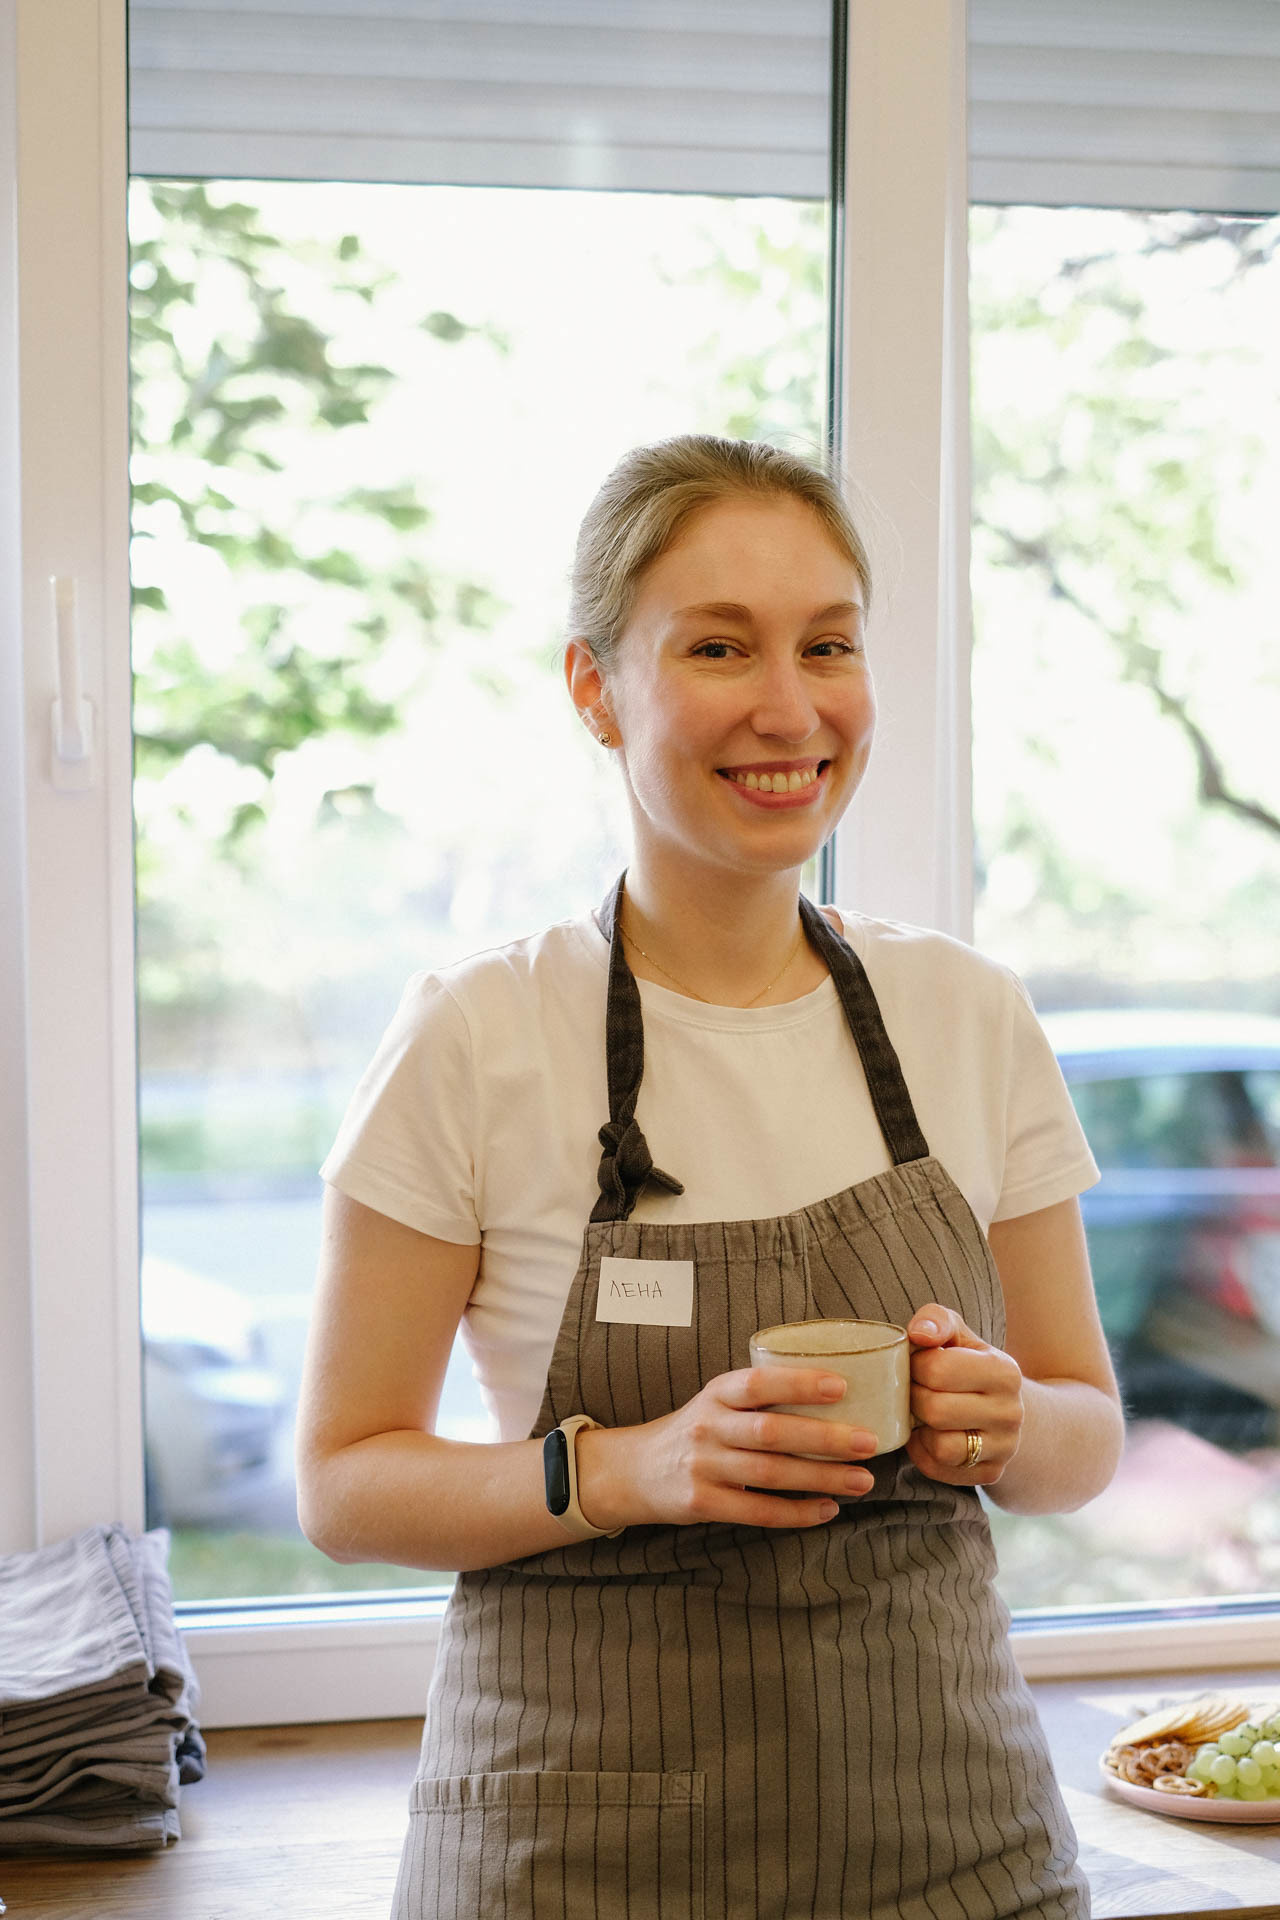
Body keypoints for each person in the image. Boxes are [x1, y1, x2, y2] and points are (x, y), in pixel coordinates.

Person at [296, 434, 1124, 1920]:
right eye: (720, 646)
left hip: (952, 1848)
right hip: (577, 1859)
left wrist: (1005, 1422)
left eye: (830, 644)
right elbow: (345, 1483)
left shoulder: (969, 1013)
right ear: (595, 688)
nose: (790, 707)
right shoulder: (480, 1031)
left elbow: (1086, 1436)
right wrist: (626, 1468)